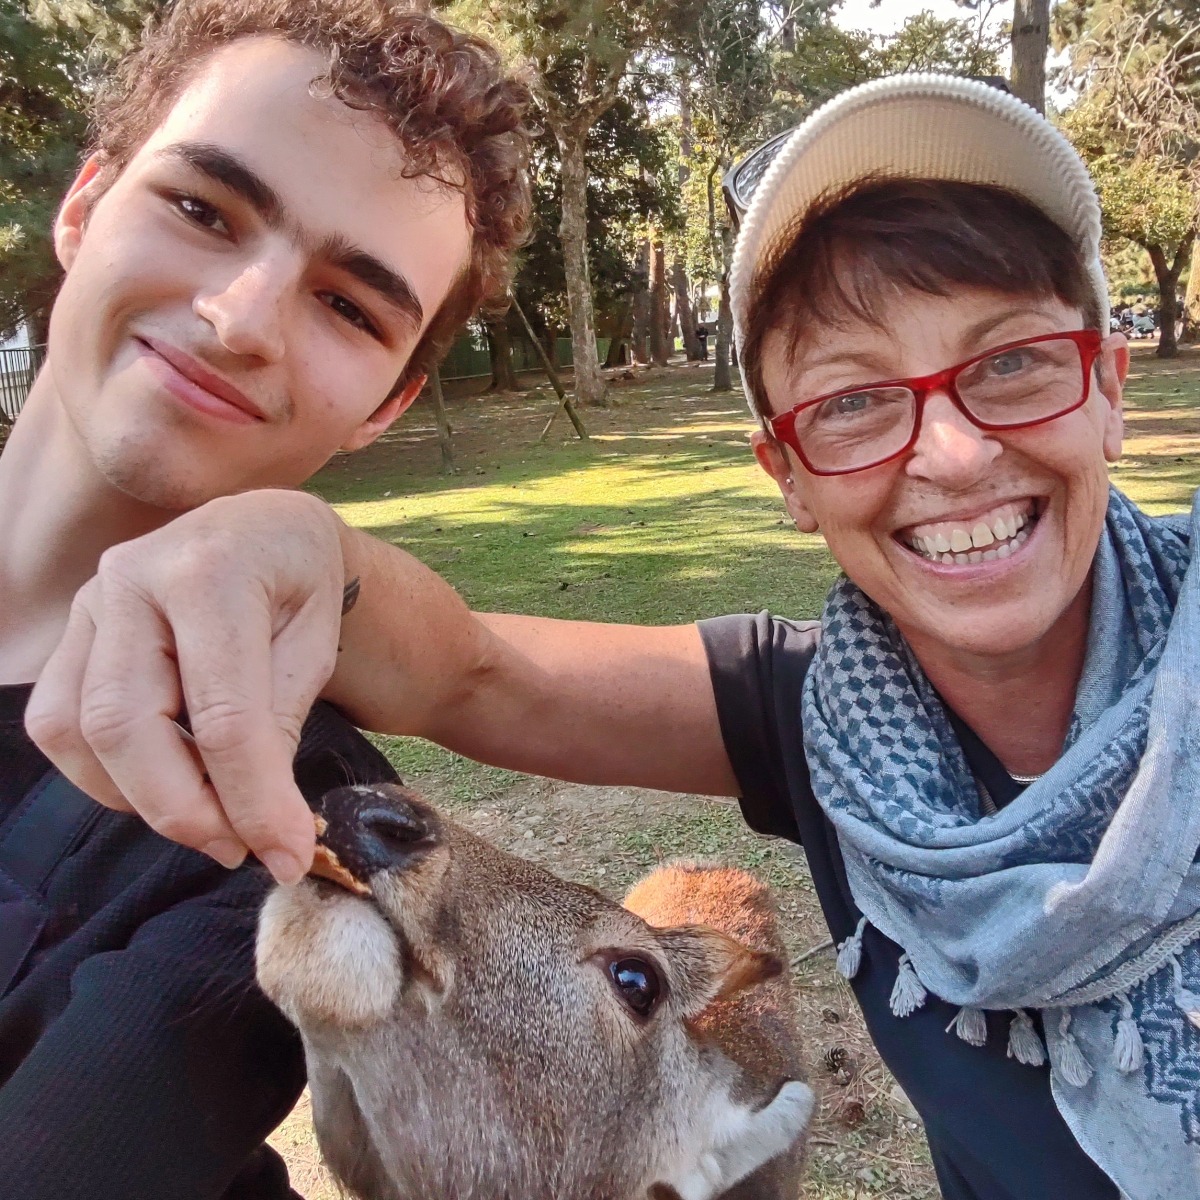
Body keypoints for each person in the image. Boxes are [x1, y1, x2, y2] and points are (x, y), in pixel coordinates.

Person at [26, 75, 1200, 1200]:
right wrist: (291, 543)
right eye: (851, 399)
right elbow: (476, 671)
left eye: (1012, 366)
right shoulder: (826, 720)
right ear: (787, 473)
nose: (949, 453)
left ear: (1106, 386)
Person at [0, 1, 531, 1196]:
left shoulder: (301, 827)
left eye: (350, 305)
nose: (238, 319)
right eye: (200, 209)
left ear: (387, 402)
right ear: (83, 207)